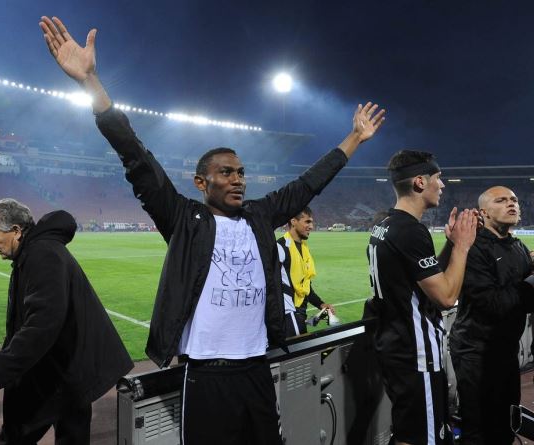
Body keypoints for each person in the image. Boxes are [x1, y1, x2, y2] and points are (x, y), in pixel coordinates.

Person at [39, 15, 385, 445]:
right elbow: (135, 156)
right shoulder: (184, 219)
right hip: (206, 374)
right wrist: (91, 82)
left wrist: (354, 138)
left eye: (241, 172)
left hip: (257, 367)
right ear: (201, 182)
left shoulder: (260, 216)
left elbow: (308, 184)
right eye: (226, 172)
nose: (238, 179)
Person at [0, 198, 133, 445]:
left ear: (16, 231)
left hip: (66, 375)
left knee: (20, 435)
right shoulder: (34, 252)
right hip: (60, 370)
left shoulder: (42, 255)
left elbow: (42, 324)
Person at [367, 150, 477, 445]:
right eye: (438, 178)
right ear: (419, 182)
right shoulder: (410, 231)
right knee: (423, 439)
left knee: (410, 433)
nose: (442, 185)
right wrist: (462, 247)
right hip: (416, 354)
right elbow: (446, 297)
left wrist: (450, 244)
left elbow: (424, 278)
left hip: (396, 347)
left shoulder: (385, 225)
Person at [449, 186, 534, 445]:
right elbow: (494, 305)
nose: (511, 204)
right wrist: (531, 282)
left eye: (514, 199)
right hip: (476, 353)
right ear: (483, 212)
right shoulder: (473, 249)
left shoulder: (519, 247)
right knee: (479, 429)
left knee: (506, 423)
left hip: (506, 351)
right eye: (501, 200)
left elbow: (524, 301)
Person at [277, 206, 335, 337]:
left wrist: (321, 304)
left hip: (300, 313)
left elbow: (305, 286)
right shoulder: (280, 248)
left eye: (312, 222)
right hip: (288, 315)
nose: (311, 226)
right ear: (293, 221)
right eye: (307, 222)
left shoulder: (304, 248)